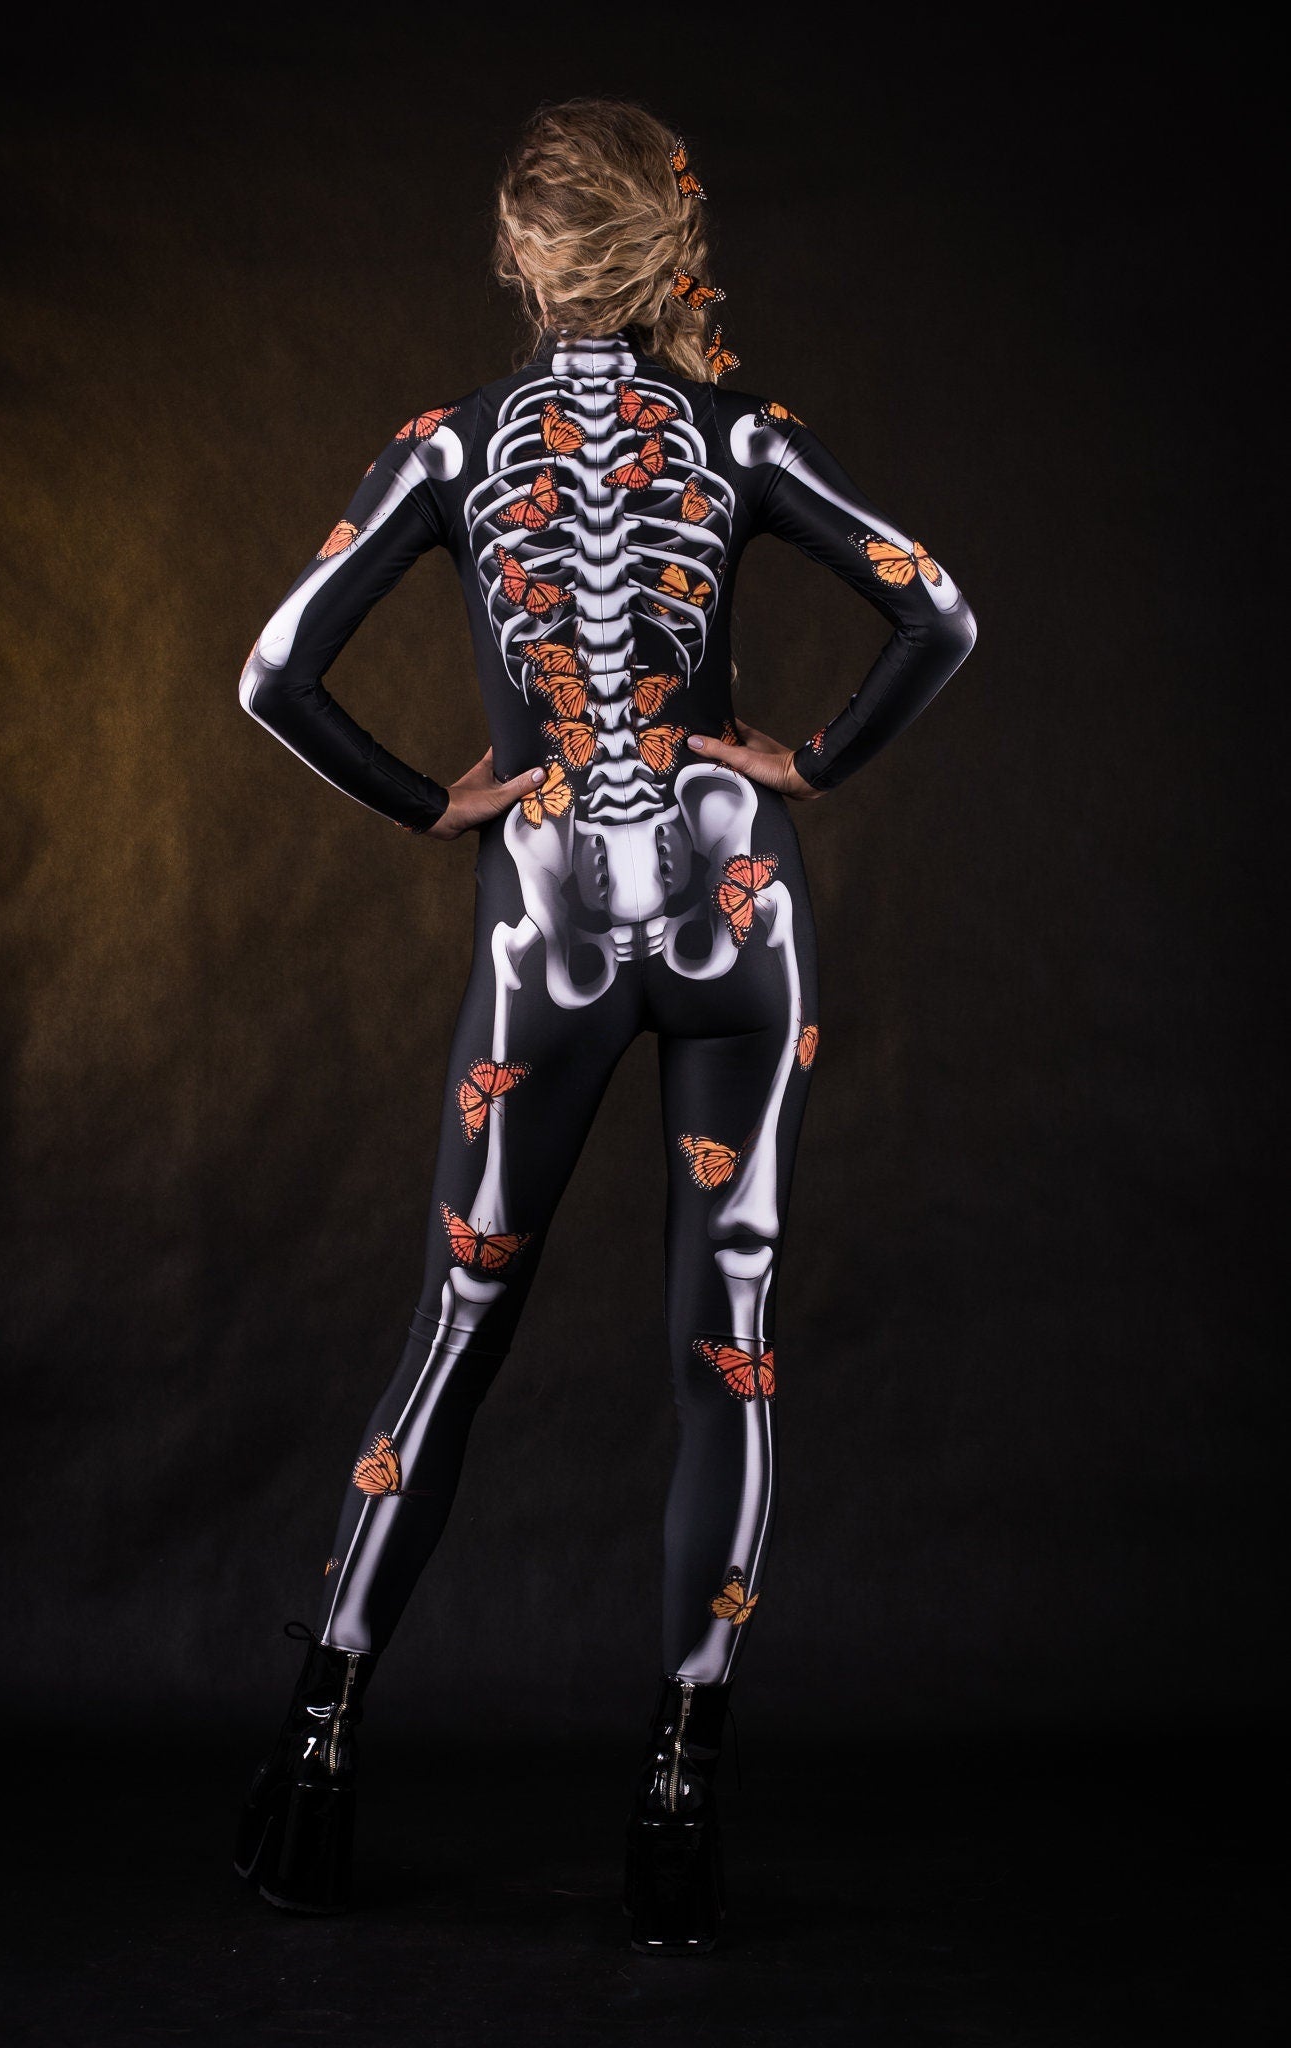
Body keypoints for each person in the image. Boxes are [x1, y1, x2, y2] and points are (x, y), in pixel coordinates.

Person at [230, 97, 976, 1952]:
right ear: (663, 261)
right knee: (723, 1340)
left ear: (521, 256)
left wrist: (434, 802)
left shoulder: (450, 445)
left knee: (460, 1317)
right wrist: (803, 759)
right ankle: (673, 1811)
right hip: (738, 901)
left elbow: (272, 674)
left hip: (548, 916)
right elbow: (935, 612)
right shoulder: (731, 430)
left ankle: (316, 1759)